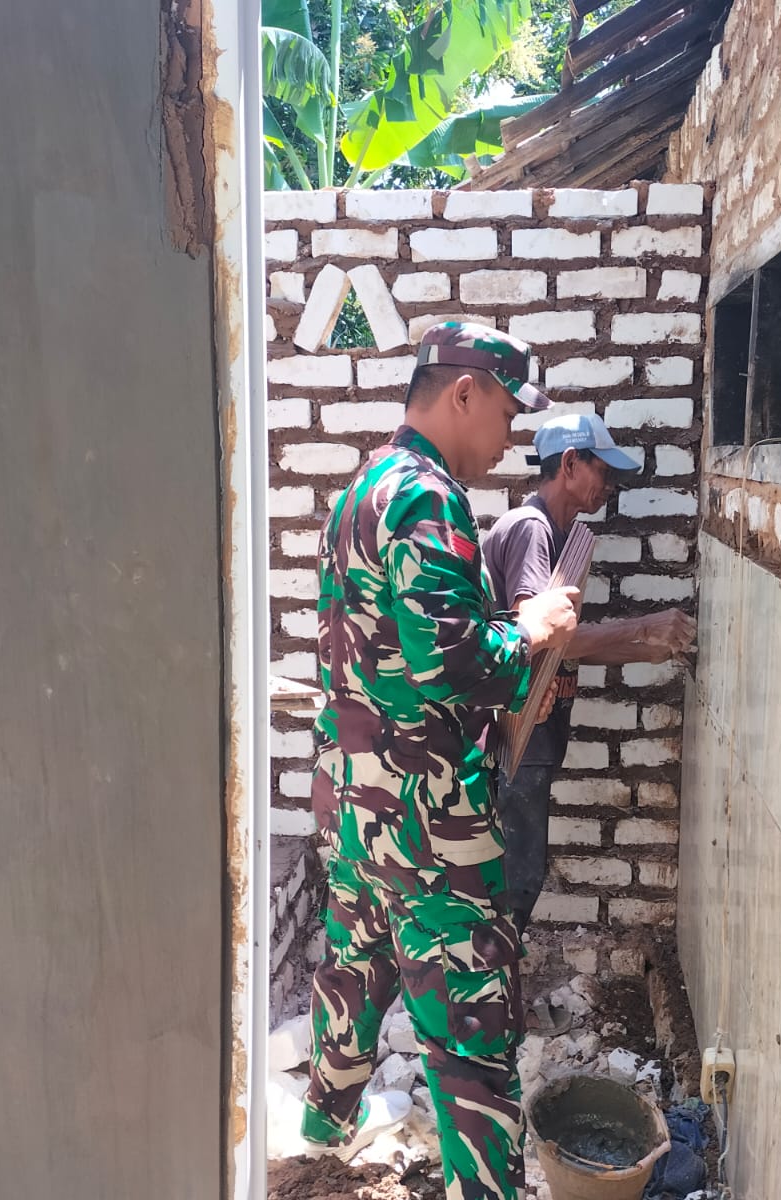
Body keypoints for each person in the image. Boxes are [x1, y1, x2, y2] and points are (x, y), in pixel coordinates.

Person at [300, 323, 578, 1200]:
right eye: (507, 413)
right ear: (463, 393)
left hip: (356, 805)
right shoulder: (427, 497)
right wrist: (529, 630)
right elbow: (455, 664)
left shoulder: (362, 488)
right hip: (427, 820)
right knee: (471, 1032)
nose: (510, 438)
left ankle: (317, 1143)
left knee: (357, 969)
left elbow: (376, 649)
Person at [481, 412, 696, 994]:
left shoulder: (559, 535)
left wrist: (649, 646)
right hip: (518, 733)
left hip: (532, 732)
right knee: (518, 875)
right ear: (571, 464)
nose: (610, 485)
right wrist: (644, 627)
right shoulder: (532, 530)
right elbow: (540, 638)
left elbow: (569, 644)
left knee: (517, 871)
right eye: (604, 470)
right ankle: (487, 1003)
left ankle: (491, 994)